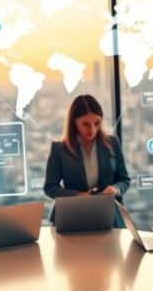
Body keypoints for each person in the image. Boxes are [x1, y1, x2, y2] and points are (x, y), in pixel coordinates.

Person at [43, 94, 130, 228]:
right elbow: (50, 187)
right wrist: (77, 195)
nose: (92, 130)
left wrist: (115, 189)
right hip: (71, 216)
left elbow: (124, 180)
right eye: (86, 124)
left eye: (97, 123)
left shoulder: (113, 143)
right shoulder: (59, 149)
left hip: (108, 216)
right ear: (74, 122)